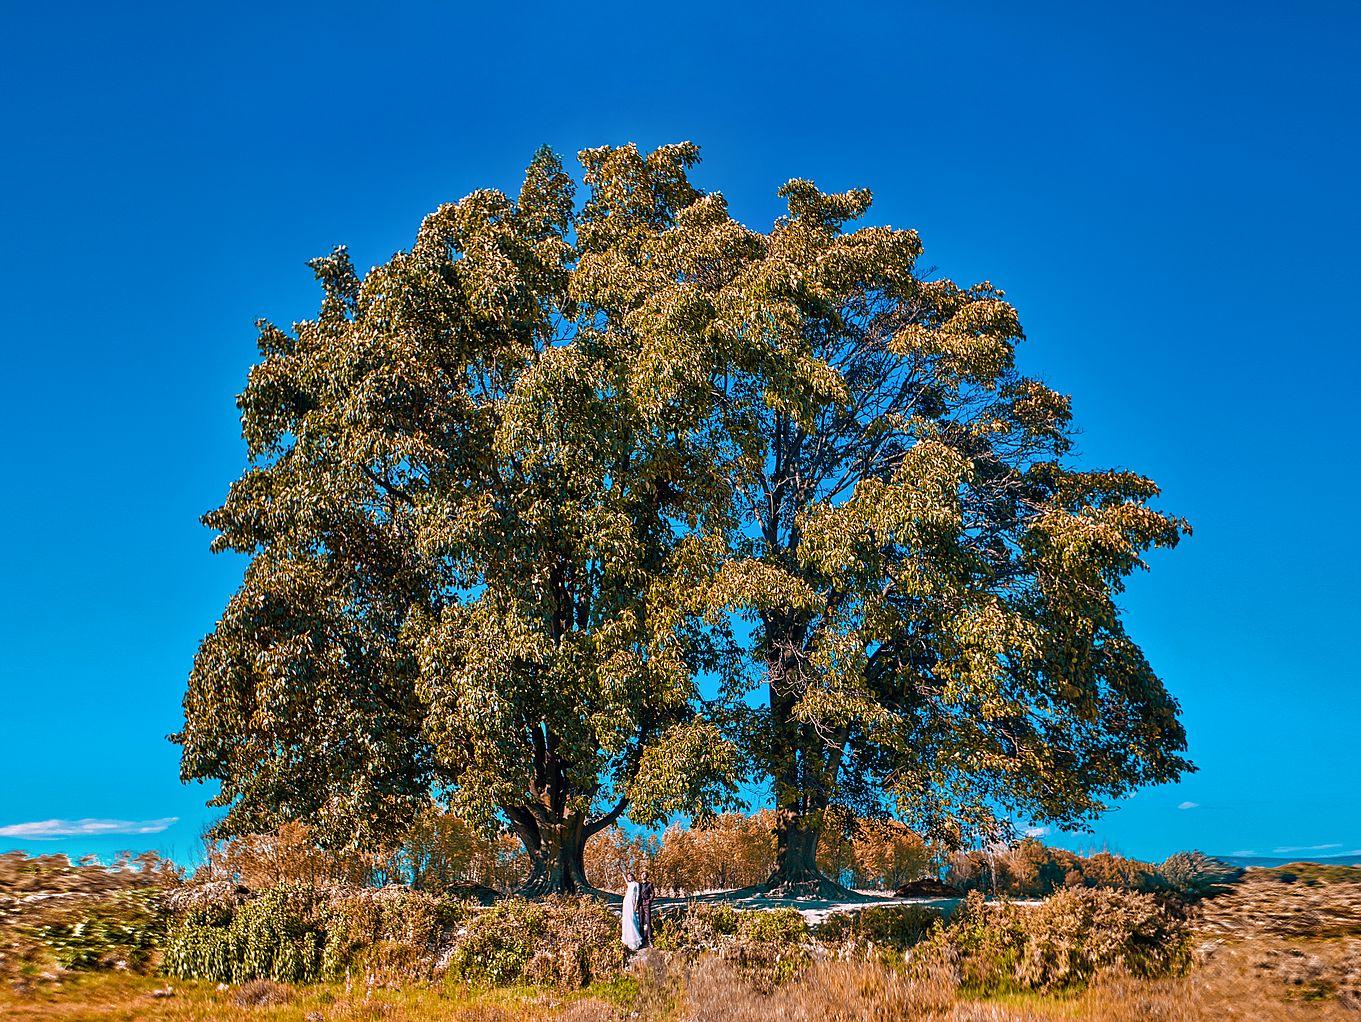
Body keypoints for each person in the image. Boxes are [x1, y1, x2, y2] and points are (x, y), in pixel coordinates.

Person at [620, 871, 643, 951]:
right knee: (626, 919)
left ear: (633, 876)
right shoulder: (629, 884)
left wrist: (636, 905)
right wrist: (620, 869)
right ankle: (627, 939)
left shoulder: (637, 884)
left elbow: (638, 895)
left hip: (631, 902)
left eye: (630, 876)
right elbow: (624, 877)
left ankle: (634, 940)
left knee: (632, 919)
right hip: (626, 901)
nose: (629, 878)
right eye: (628, 877)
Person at [638, 870, 655, 947]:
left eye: (645, 875)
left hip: (646, 904)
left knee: (648, 921)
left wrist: (649, 901)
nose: (643, 876)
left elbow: (653, 893)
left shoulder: (650, 884)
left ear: (647, 876)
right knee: (641, 922)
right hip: (640, 905)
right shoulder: (639, 884)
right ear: (641, 876)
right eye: (642, 874)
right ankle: (642, 939)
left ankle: (650, 939)